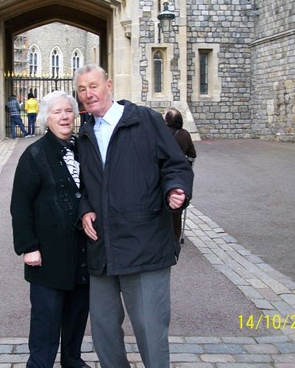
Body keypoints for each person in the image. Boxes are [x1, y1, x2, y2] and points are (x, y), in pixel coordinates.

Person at [74, 64, 194, 368]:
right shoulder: (85, 133)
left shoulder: (145, 120)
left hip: (145, 245)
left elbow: (176, 165)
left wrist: (175, 188)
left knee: (151, 334)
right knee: (104, 335)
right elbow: (85, 186)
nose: (88, 95)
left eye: (93, 86)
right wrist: (84, 209)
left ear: (109, 85)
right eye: (82, 90)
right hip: (101, 249)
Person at [11, 90, 90, 368]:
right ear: (46, 118)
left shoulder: (83, 148)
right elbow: (20, 205)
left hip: (82, 253)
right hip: (46, 254)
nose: (64, 117)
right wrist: (28, 247)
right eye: (57, 112)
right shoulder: (35, 154)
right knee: (46, 319)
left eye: (68, 111)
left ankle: (72, 361)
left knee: (76, 315)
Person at [165, 107, 197, 243]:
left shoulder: (161, 132)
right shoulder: (185, 134)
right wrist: (187, 167)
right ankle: (175, 237)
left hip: (163, 173)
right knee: (176, 209)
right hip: (179, 175)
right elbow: (192, 155)